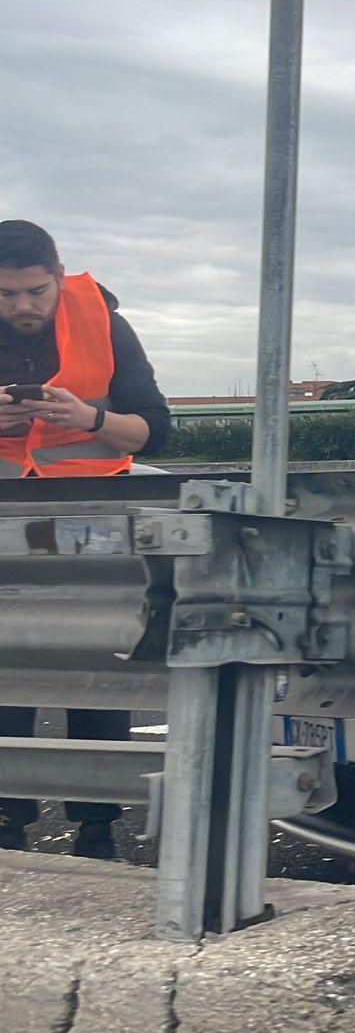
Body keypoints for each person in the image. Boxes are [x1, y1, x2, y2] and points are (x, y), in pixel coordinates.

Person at [0, 219, 171, 859]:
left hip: (93, 523)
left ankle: (97, 827)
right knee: (6, 666)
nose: (22, 306)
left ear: (57, 274)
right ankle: (6, 819)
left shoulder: (104, 321)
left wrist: (88, 417)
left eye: (35, 291)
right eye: (7, 294)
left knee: (101, 671)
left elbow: (156, 431)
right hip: (5, 523)